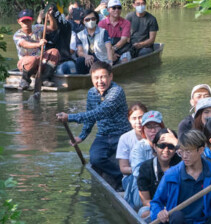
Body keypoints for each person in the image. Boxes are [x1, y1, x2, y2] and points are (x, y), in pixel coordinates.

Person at [56, 61, 128, 189]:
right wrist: (82, 137)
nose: (100, 81)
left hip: (121, 135)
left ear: (110, 77)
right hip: (103, 135)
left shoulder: (116, 92)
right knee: (95, 159)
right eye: (96, 78)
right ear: (91, 79)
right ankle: (119, 176)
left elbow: (99, 113)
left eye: (103, 77)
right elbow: (90, 117)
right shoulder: (91, 93)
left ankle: (122, 180)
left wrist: (69, 117)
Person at [150, 130, 211, 224]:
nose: (184, 156)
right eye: (181, 152)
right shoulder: (172, 174)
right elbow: (156, 202)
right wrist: (159, 213)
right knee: (176, 215)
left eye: (188, 152)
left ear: (201, 150)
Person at [124, 110, 166, 209]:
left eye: (156, 126)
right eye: (149, 127)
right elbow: (139, 174)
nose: (153, 131)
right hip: (144, 189)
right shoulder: (139, 148)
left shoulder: (169, 146)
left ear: (162, 128)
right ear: (143, 130)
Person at [136, 128, 180, 219]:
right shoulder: (146, 167)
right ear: (155, 146)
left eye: (171, 146)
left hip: (178, 206)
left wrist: (177, 142)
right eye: (162, 146)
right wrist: (160, 210)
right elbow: (145, 200)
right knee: (143, 213)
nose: (166, 150)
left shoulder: (182, 164)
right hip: (156, 206)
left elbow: (197, 159)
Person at [13, 9, 60, 90]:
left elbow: (53, 28)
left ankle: (45, 78)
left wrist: (49, 15)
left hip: (40, 61)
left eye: (28, 21)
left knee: (54, 52)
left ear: (32, 21)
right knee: (32, 59)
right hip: (26, 63)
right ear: (19, 22)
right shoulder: (17, 35)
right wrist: (38, 44)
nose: (26, 23)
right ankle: (25, 80)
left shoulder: (37, 28)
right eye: (24, 21)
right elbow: (24, 44)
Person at [58, 9, 107, 75]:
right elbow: (79, 51)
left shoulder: (103, 32)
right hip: (88, 58)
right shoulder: (80, 35)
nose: (90, 21)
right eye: (87, 20)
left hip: (101, 58)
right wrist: (86, 56)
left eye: (93, 19)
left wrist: (110, 62)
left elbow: (109, 48)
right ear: (83, 22)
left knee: (94, 61)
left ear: (96, 20)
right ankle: (81, 78)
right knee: (80, 60)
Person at [117, 102, 149, 182]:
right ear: (129, 120)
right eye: (134, 118)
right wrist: (138, 170)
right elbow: (123, 168)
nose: (138, 122)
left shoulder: (153, 135)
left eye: (141, 117)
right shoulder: (124, 138)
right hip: (131, 176)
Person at [98, 0, 132, 64]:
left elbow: (124, 39)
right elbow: (100, 42)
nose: (116, 10)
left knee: (125, 60)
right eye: (113, 8)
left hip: (122, 49)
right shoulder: (101, 24)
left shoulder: (126, 23)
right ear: (108, 10)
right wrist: (110, 53)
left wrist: (113, 49)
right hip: (106, 50)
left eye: (119, 8)